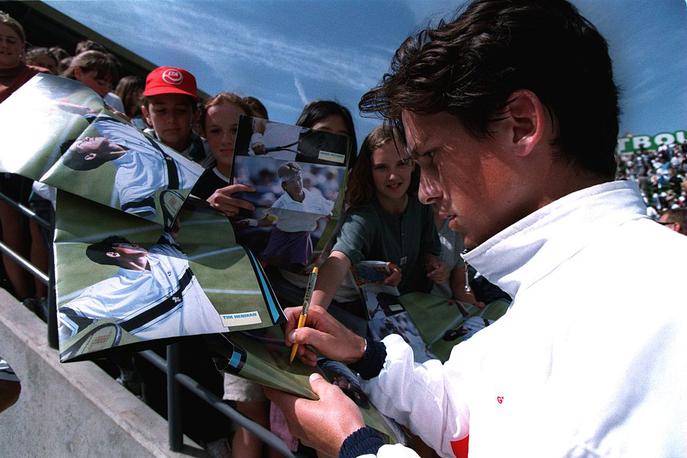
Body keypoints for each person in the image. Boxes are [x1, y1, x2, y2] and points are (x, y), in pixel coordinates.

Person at [265, 1, 687, 457]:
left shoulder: (661, 304)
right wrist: (367, 356)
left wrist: (354, 446)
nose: (424, 191)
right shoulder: (563, 282)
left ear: (521, 126)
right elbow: (470, 408)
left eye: (431, 159)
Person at [310, 125, 445, 310]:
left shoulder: (421, 206)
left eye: (402, 163)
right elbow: (339, 259)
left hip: (419, 304)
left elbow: (431, 251)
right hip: (374, 313)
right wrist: (313, 312)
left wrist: (434, 265)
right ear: (369, 171)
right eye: (381, 167)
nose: (392, 176)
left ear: (413, 164)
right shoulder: (362, 216)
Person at [58, 234, 226, 342]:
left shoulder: (165, 252)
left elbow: (173, 225)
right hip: (175, 356)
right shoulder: (108, 292)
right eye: (125, 243)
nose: (134, 242)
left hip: (220, 337)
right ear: (114, 253)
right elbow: (64, 323)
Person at [0, 11, 50, 303]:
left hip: (37, 163)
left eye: (10, 39)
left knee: (36, 225)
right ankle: (22, 295)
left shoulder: (40, 77)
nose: (4, 45)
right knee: (11, 229)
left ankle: (41, 295)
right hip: (2, 165)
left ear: (22, 46)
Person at [60, 112, 199, 217]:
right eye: (81, 143)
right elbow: (140, 217)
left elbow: (86, 108)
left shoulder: (109, 128)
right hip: (201, 200)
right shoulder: (128, 180)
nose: (86, 137)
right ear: (90, 156)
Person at [242, 161, 335, 271]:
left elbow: (327, 216)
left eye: (298, 179)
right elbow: (269, 220)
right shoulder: (281, 202)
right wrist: (252, 222)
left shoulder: (314, 198)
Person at [141, 66, 208, 163]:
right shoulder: (132, 144)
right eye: (161, 110)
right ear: (147, 114)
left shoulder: (213, 157)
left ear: (195, 115)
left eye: (180, 110)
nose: (171, 119)